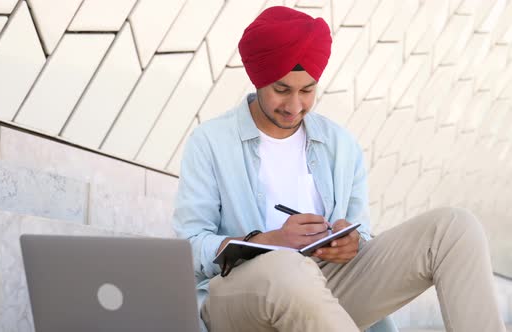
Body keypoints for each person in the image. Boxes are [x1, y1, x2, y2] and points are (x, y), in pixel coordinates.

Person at [173, 6, 506, 332]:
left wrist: (351, 244)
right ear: (259, 80)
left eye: (307, 90)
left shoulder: (340, 145)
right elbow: (188, 247)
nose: (294, 106)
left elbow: (360, 233)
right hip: (238, 298)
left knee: (454, 227)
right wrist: (271, 240)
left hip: (325, 287)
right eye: (282, 90)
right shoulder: (210, 142)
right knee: (287, 266)